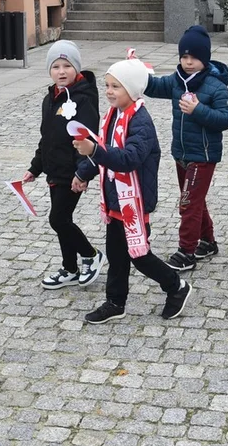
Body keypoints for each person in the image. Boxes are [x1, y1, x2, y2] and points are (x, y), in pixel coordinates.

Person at [72, 59, 191, 324]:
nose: (110, 91)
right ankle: (115, 302)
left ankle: (176, 286)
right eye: (107, 85)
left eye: (117, 86)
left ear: (134, 89)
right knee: (116, 255)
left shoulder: (141, 122)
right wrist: (84, 172)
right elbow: (105, 149)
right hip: (115, 199)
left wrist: (93, 150)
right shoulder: (113, 115)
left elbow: (128, 158)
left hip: (133, 202)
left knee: (139, 255)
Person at [143, 25, 228, 272]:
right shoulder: (176, 81)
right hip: (181, 153)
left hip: (203, 156)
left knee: (188, 203)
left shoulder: (216, 86)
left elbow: (227, 119)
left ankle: (187, 251)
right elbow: (153, 87)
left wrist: (198, 110)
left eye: (194, 57)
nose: (188, 62)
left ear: (204, 58)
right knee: (195, 199)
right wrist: (136, 73)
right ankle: (208, 241)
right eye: (184, 56)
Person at [25, 40, 105, 289]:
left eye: (67, 66)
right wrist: (35, 167)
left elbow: (89, 138)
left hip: (72, 172)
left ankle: (91, 255)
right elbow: (46, 137)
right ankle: (69, 268)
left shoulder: (83, 99)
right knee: (63, 219)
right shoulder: (51, 99)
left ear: (76, 68)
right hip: (54, 170)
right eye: (56, 66)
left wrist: (83, 173)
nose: (61, 71)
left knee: (58, 219)